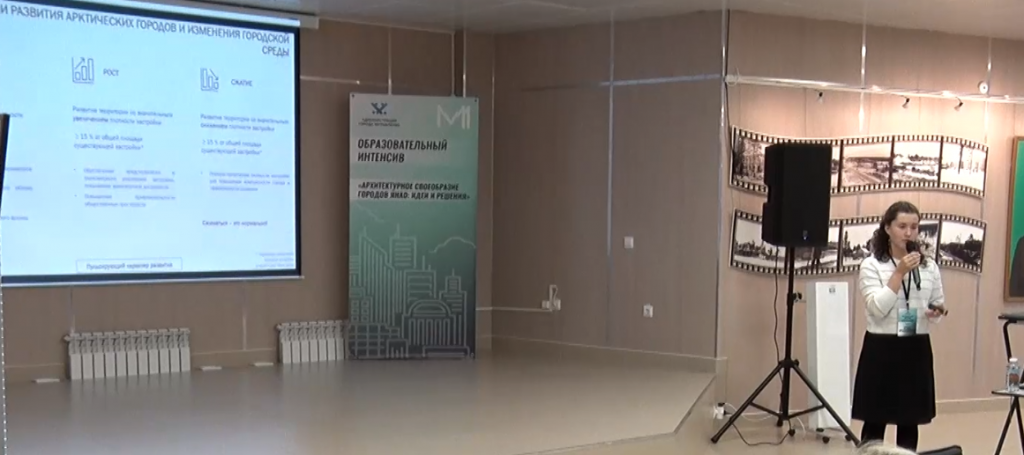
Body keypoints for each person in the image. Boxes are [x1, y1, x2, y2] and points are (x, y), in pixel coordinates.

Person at [852, 201, 948, 451]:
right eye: (902, 226)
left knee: (909, 420)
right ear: (887, 228)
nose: (908, 233)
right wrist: (899, 273)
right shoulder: (872, 265)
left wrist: (935, 312)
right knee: (875, 419)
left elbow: (936, 304)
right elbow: (877, 309)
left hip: (915, 347)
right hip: (881, 348)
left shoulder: (929, 266)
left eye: (914, 227)